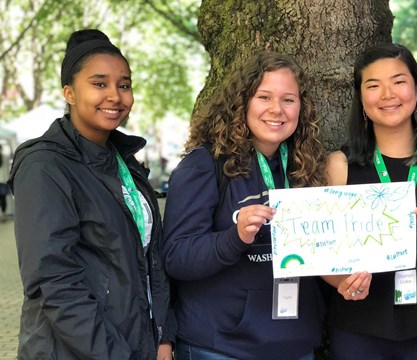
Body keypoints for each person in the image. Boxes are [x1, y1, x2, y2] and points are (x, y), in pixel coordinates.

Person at [8, 29, 174, 359]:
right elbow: (54, 283)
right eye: (99, 84)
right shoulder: (45, 165)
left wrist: (164, 336)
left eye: (124, 85)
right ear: (69, 93)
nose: (115, 95)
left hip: (137, 341)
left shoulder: (124, 161)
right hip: (77, 350)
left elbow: (151, 259)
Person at [161, 51, 328, 360]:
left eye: (288, 100)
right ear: (242, 102)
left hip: (296, 345)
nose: (277, 109)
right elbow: (176, 257)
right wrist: (234, 237)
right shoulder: (203, 166)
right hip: (221, 348)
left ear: (301, 108)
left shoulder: (306, 168)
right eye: (264, 97)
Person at [322, 43, 417, 359]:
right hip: (358, 325)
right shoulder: (339, 165)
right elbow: (324, 253)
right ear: (362, 100)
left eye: (398, 81)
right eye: (373, 85)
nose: (387, 94)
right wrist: (344, 281)